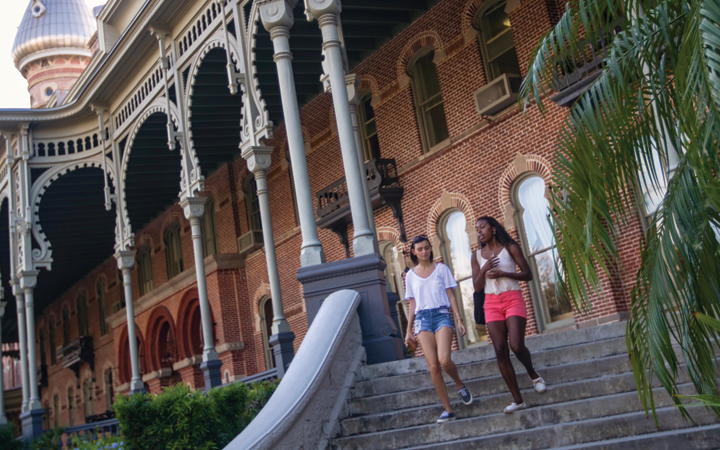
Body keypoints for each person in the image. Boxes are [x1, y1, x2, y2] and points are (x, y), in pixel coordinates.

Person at [471, 216, 546, 414]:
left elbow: (527, 274)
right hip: (491, 303)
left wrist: (504, 274)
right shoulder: (477, 255)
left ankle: (533, 374)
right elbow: (477, 287)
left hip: (512, 298)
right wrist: (485, 269)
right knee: (499, 349)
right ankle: (518, 400)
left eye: (482, 227)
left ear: (493, 228)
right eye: (476, 229)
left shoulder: (510, 247)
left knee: (516, 345)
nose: (479, 231)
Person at [404, 235, 473, 423]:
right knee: (433, 366)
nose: (424, 251)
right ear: (414, 252)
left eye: (427, 248)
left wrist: (458, 319)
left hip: (442, 314)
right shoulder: (410, 275)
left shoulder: (441, 269)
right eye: (420, 249)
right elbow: (412, 303)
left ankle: (459, 384)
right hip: (422, 319)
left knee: (444, 360)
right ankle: (448, 409)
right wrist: (408, 330)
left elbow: (450, 296)